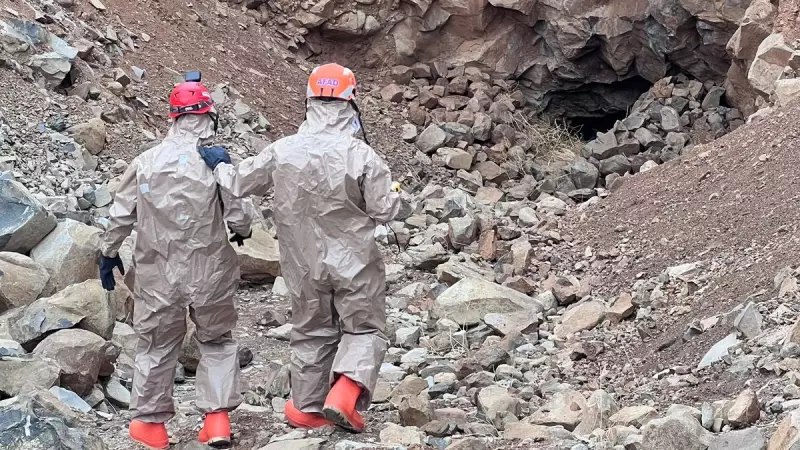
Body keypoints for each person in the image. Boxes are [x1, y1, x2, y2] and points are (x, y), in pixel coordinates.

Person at [199, 63, 402, 432]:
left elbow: (239, 184)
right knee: (365, 327)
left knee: (311, 330)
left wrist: (222, 165)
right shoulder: (361, 156)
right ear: (351, 102)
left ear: (308, 100)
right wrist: (400, 194)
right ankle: (345, 391)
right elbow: (385, 209)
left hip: (301, 262)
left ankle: (306, 409)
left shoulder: (283, 150)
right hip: (354, 261)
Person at [99, 76, 253, 449]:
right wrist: (238, 223)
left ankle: (151, 427)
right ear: (209, 117)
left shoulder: (145, 162)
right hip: (211, 270)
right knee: (216, 340)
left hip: (157, 272)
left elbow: (120, 216)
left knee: (155, 345)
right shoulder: (215, 162)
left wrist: (107, 252)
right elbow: (241, 217)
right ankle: (216, 421)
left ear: (172, 118)